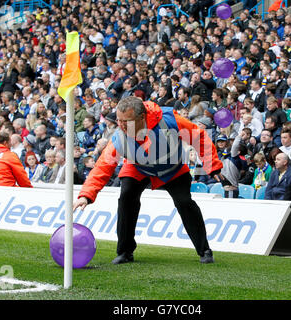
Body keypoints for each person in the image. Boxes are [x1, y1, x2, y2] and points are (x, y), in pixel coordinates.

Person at [73, 97, 223, 264]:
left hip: (172, 169)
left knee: (185, 202)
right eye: (119, 121)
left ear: (141, 118)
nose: (121, 126)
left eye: (126, 121)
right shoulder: (119, 137)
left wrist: (213, 165)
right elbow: (103, 166)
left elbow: (199, 136)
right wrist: (86, 195)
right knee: (126, 198)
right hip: (138, 168)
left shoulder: (170, 121)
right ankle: (125, 252)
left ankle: (205, 250)